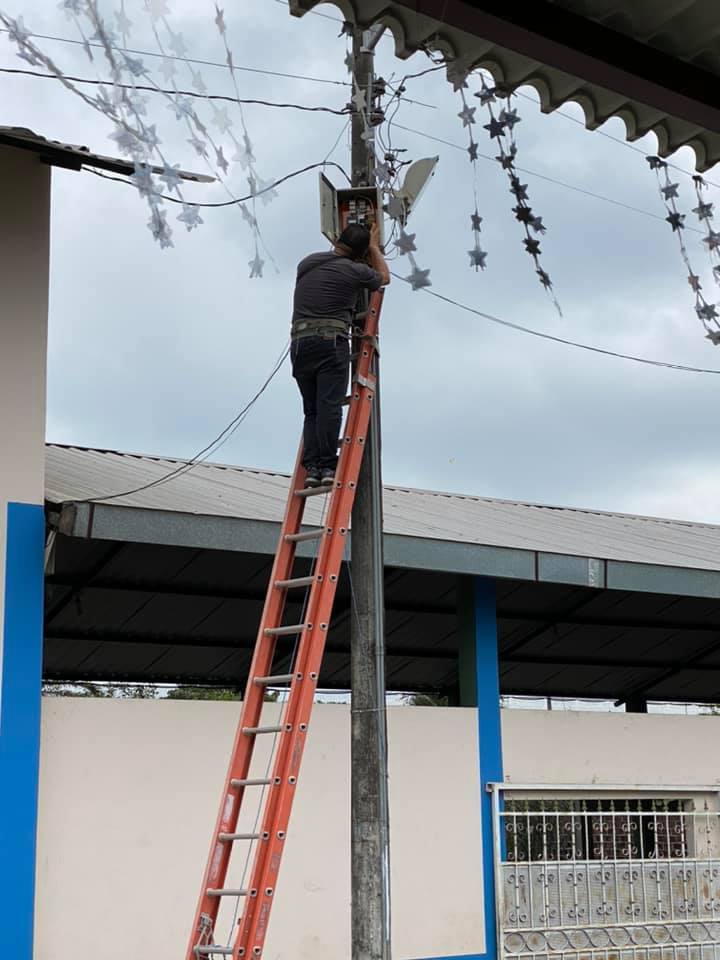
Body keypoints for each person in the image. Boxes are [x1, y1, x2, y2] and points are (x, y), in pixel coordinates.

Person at [291, 221, 390, 488]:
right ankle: (326, 466)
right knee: (329, 407)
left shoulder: (307, 263)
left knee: (311, 410)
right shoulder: (356, 271)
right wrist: (374, 248)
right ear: (360, 253)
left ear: (337, 240)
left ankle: (312, 467)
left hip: (299, 344)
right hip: (329, 342)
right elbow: (384, 278)